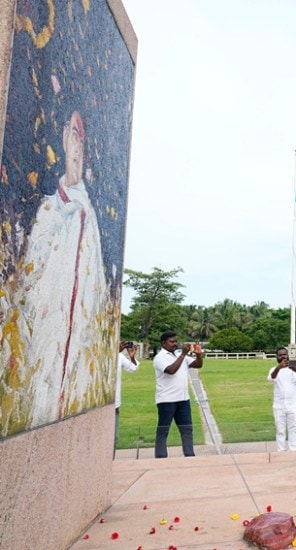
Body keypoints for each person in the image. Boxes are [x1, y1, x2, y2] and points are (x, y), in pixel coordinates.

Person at [20, 110, 110, 427]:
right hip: (47, 326)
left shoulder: (88, 211)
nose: (75, 145)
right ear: (63, 138)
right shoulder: (50, 206)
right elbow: (31, 270)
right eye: (70, 135)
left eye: (79, 138)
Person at [153, 331, 204, 458]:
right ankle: (161, 457)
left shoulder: (179, 354)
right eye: (172, 342)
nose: (175, 344)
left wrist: (198, 355)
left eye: (176, 341)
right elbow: (171, 370)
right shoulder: (159, 358)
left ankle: (189, 455)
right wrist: (183, 354)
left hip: (183, 399)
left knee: (187, 429)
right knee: (163, 430)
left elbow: (198, 365)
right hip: (166, 400)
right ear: (163, 343)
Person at [269, 346, 296, 452]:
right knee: (280, 430)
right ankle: (281, 451)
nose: (283, 356)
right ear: (277, 357)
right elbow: (271, 378)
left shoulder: (293, 369)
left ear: (288, 355)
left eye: (285, 354)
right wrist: (279, 367)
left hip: (293, 404)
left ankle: (292, 450)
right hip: (279, 405)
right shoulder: (274, 370)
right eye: (280, 355)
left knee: (293, 429)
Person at [114, 340, 139, 457]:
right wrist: (114, 352)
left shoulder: (120, 356)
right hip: (104, 404)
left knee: (114, 438)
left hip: (115, 403)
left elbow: (133, 368)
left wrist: (132, 357)